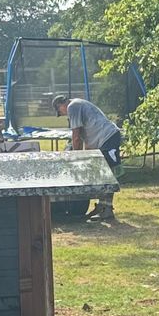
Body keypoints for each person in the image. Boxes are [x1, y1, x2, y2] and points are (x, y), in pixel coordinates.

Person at [54, 93, 121, 221]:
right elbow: (87, 141)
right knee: (102, 174)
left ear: (61, 105)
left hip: (108, 138)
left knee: (106, 174)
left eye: (60, 112)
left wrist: (76, 158)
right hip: (105, 140)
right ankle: (103, 208)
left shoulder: (72, 107)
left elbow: (76, 136)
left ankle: (105, 209)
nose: (63, 115)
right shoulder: (79, 105)